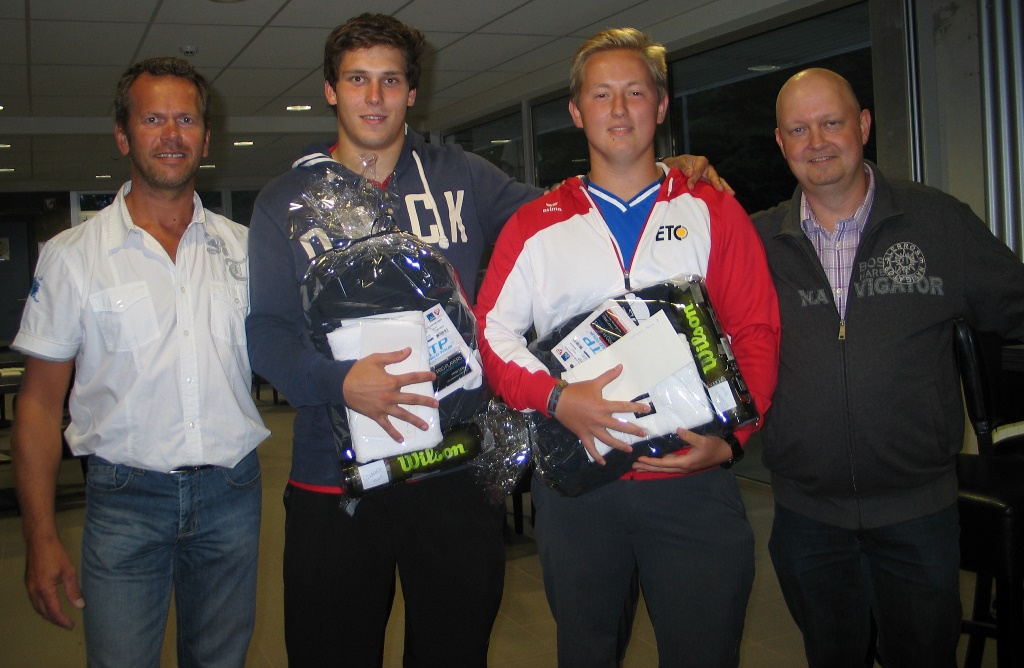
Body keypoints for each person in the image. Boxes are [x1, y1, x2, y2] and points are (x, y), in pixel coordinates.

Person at [245, 13, 727, 667]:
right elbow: (267, 334)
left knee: (455, 650)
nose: (375, 96)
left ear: (413, 92)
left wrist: (655, 169)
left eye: (391, 80)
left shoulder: (463, 177)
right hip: (335, 484)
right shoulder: (286, 200)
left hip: (455, 474)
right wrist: (342, 383)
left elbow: (570, 212)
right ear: (331, 90)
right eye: (357, 80)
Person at [475, 28, 780, 668]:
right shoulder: (536, 225)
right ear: (576, 111)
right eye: (602, 94)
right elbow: (490, 334)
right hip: (581, 489)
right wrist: (556, 399)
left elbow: (755, 330)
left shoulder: (712, 209)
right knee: (586, 652)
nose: (619, 109)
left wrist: (734, 440)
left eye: (635, 93)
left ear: (661, 106)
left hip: (693, 481)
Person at [754, 67, 1024, 668]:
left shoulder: (939, 223)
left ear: (864, 125)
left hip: (918, 511)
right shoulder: (756, 243)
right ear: (780, 142)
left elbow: (1016, 307)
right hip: (806, 515)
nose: (816, 142)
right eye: (799, 129)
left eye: (831, 123)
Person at [11, 57, 269, 667]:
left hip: (231, 493)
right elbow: (40, 404)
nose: (172, 134)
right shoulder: (73, 256)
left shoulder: (247, 250)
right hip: (125, 498)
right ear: (124, 136)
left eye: (186, 120)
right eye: (153, 119)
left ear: (206, 137)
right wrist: (40, 536)